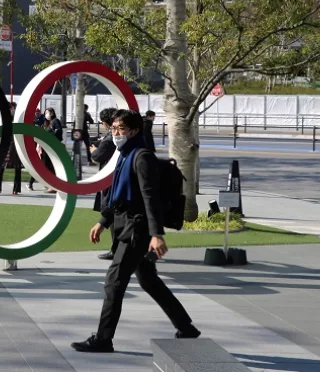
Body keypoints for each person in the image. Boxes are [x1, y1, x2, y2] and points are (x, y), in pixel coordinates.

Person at [72, 109, 200, 353]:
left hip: (137, 229)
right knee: (149, 280)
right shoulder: (124, 154)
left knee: (114, 282)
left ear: (134, 131)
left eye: (121, 129)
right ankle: (186, 327)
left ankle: (103, 339)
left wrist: (156, 234)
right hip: (126, 224)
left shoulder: (141, 157)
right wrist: (103, 221)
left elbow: (149, 197)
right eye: (114, 129)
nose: (116, 133)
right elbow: (118, 195)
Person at [90, 108, 117, 261]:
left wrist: (94, 149)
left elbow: (98, 156)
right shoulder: (116, 136)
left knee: (111, 211)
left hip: (110, 180)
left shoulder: (109, 139)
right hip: (115, 178)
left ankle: (116, 249)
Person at [26, 107, 63, 193]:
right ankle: (49, 185)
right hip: (45, 149)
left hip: (50, 148)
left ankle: (50, 185)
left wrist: (49, 137)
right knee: (43, 167)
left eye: (49, 113)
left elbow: (58, 132)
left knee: (45, 167)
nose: (47, 115)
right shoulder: (46, 123)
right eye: (46, 113)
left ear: (52, 113)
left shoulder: (55, 122)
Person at [0, 102, 22, 195]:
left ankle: (16, 189)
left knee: (17, 167)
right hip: (6, 144)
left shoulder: (16, 117)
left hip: (15, 144)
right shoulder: (3, 118)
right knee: (0, 166)